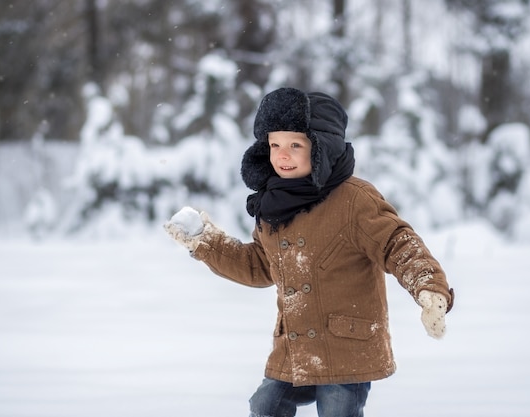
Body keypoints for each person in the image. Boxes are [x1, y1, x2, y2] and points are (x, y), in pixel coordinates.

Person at [164, 87, 454, 417]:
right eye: (275, 145)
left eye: (295, 145)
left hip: (346, 348)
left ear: (321, 148)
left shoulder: (354, 200)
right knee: (265, 405)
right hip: (295, 347)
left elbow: (397, 243)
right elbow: (260, 265)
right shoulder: (273, 204)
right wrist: (206, 241)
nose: (282, 155)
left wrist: (430, 289)